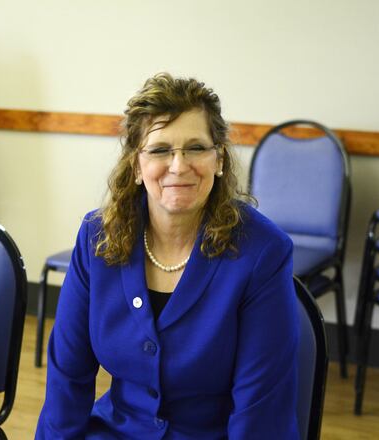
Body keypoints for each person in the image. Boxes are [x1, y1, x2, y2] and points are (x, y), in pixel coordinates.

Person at [36, 73, 299, 439]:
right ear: (136, 167)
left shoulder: (262, 251)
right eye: (160, 150)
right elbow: (68, 377)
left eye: (196, 148)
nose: (178, 166)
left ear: (219, 158)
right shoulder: (98, 239)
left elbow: (260, 411)